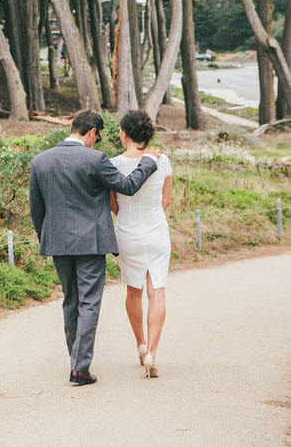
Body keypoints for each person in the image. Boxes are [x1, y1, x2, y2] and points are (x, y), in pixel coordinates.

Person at [29, 109, 160, 386]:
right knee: (89, 303)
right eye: (96, 137)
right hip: (91, 243)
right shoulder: (96, 159)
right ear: (91, 132)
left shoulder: (40, 161)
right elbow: (127, 186)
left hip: (57, 243)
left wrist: (48, 238)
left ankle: (76, 361)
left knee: (71, 301)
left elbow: (36, 208)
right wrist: (148, 162)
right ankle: (80, 367)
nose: (96, 142)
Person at [109, 110, 172, 379]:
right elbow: (166, 201)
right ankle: (153, 353)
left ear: (124, 133)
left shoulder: (113, 164)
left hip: (128, 231)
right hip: (156, 229)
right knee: (156, 290)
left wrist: (126, 216)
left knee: (133, 291)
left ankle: (141, 344)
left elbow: (112, 204)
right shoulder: (163, 160)